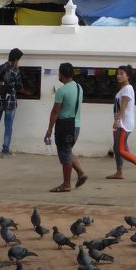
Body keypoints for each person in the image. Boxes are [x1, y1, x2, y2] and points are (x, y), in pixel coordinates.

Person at [44, 62, 87, 193]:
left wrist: (49, 130)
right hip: (76, 125)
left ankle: (66, 184)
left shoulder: (61, 91)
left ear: (61, 74)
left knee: (65, 155)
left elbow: (55, 112)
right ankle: (80, 173)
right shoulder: (79, 87)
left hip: (65, 126)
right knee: (67, 151)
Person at [106, 65, 136, 181]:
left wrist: (117, 120)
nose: (118, 76)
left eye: (121, 74)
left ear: (127, 76)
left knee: (120, 149)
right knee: (117, 148)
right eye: (118, 74)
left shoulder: (128, 88)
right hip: (121, 123)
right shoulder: (123, 89)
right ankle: (119, 172)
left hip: (124, 124)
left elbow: (123, 106)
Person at [0, 47, 24, 156]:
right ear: (16, 59)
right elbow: (19, 86)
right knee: (8, 126)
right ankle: (5, 150)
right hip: (10, 101)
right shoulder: (15, 71)